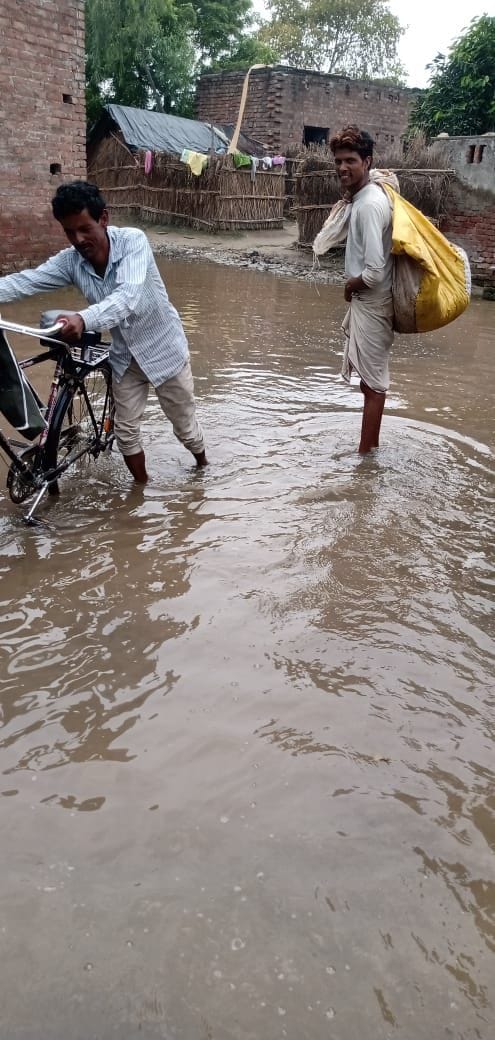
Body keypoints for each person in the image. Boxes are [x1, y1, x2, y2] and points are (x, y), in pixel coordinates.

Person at [0, 181, 207, 482]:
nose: (78, 239)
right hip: (125, 359)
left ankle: (203, 467)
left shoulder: (133, 242)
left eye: (85, 229)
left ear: (104, 219)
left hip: (165, 352)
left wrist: (83, 319)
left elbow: (127, 298)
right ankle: (140, 491)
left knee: (185, 429)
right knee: (125, 434)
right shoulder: (71, 262)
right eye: (69, 232)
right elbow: (25, 282)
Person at [330, 126, 393, 455]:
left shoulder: (369, 205)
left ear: (367, 161)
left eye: (351, 160)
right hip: (371, 303)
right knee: (371, 382)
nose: (343, 167)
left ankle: (366, 458)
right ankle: (371, 449)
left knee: (373, 386)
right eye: (339, 161)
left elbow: (373, 272)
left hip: (373, 302)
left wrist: (348, 286)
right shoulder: (365, 196)